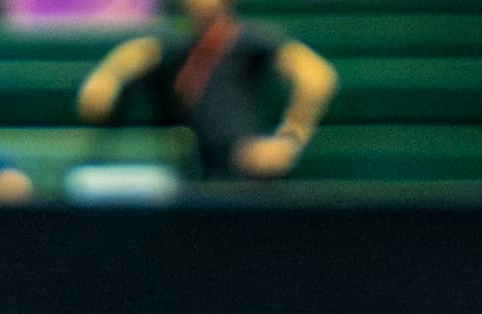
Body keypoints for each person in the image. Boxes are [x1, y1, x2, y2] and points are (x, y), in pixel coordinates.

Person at [74, 0, 338, 180]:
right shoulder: (180, 45)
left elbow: (317, 76)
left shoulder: (248, 39)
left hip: (247, 172)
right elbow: (137, 54)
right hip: (196, 175)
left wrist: (288, 140)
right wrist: (105, 80)